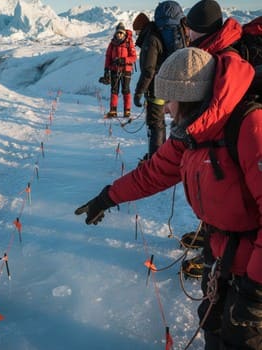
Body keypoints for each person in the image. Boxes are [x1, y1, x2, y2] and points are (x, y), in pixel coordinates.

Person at [75, 47, 262, 349]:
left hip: (254, 269)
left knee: (243, 340)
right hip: (221, 258)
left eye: (168, 100)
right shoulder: (191, 134)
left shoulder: (250, 129)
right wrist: (108, 197)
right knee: (213, 327)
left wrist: (256, 292)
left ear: (189, 100)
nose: (163, 109)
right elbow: (153, 174)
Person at [180, 0, 248, 278]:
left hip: (233, 146)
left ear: (200, 31)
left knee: (228, 198)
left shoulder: (223, 59)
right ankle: (211, 241)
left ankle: (219, 256)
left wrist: (193, 133)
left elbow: (218, 111)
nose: (188, 37)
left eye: (191, 31)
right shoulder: (213, 52)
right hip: (224, 146)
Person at [132, 12, 166, 160]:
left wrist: (139, 92)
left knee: (155, 124)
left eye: (136, 31)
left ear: (141, 28)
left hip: (155, 88)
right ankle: (160, 155)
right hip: (162, 85)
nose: (136, 34)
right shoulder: (155, 35)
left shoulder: (150, 40)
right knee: (159, 123)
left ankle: (155, 159)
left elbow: (148, 71)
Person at [101, 22, 137, 118]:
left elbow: (134, 57)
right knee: (114, 90)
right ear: (115, 33)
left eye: (121, 33)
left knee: (125, 90)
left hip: (126, 70)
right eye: (118, 33)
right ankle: (113, 111)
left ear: (124, 33)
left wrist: (123, 60)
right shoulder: (112, 44)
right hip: (114, 70)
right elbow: (108, 57)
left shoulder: (129, 43)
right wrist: (106, 69)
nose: (119, 34)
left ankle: (127, 111)